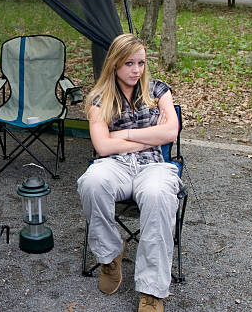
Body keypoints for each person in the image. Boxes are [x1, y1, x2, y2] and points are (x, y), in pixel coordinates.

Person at [77, 33, 181, 312]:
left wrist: (124, 133)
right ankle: (110, 257)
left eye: (141, 63)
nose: (136, 70)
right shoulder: (99, 98)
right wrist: (152, 134)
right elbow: (102, 145)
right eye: (129, 64)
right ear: (114, 64)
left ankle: (151, 291)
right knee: (92, 182)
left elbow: (171, 131)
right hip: (116, 165)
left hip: (153, 166)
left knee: (159, 194)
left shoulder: (159, 90)